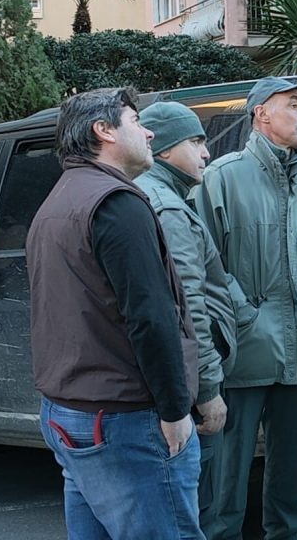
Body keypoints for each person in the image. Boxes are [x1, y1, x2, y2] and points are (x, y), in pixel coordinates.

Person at [26, 87, 202, 539]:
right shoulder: (116, 202)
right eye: (134, 120)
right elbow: (151, 316)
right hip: (125, 418)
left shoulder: (58, 200)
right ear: (103, 131)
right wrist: (174, 407)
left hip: (70, 412)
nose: (147, 131)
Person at [195, 77, 297, 540]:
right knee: (224, 480)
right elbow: (200, 268)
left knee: (292, 481)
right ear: (261, 114)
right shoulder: (220, 180)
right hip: (242, 357)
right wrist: (245, 318)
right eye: (294, 105)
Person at [136, 101, 245, 523]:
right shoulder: (167, 207)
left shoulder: (165, 196)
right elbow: (186, 309)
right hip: (191, 388)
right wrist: (208, 391)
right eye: (196, 141)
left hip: (176, 384)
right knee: (189, 508)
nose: (206, 153)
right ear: (163, 149)